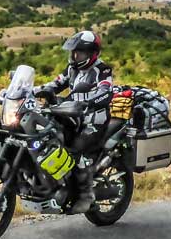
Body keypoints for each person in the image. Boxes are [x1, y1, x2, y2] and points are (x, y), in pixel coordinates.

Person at [37, 30, 114, 213]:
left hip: (94, 121)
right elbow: (54, 85)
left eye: (78, 53)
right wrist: (29, 92)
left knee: (76, 150)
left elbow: (106, 92)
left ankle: (86, 195)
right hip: (73, 117)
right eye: (73, 52)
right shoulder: (72, 69)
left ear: (91, 53)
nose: (74, 56)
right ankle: (58, 183)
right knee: (50, 140)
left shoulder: (102, 70)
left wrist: (89, 102)